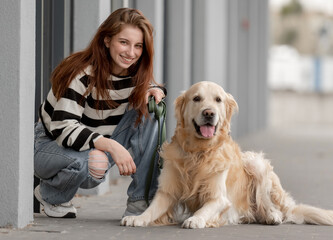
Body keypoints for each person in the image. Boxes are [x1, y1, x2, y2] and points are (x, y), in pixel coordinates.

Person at [34, 8, 166, 218]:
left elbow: (148, 87)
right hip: (50, 145)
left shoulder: (134, 75)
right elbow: (63, 127)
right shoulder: (81, 73)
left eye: (138, 46)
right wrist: (112, 146)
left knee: (152, 111)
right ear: (107, 40)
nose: (131, 53)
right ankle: (51, 193)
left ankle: (141, 201)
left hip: (95, 146)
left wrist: (154, 90)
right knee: (92, 163)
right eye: (124, 42)